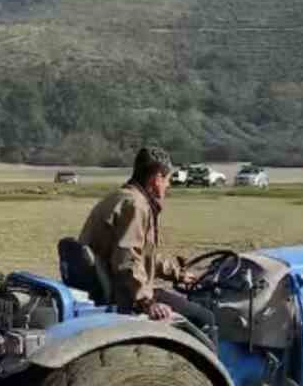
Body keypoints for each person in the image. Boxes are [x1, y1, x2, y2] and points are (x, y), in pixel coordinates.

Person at [77, 145, 217, 344]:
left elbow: (142, 254)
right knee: (206, 319)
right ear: (156, 178)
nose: (168, 186)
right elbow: (127, 258)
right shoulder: (136, 205)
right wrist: (147, 301)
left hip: (111, 283)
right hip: (124, 293)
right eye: (167, 179)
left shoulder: (120, 196)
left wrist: (177, 273)